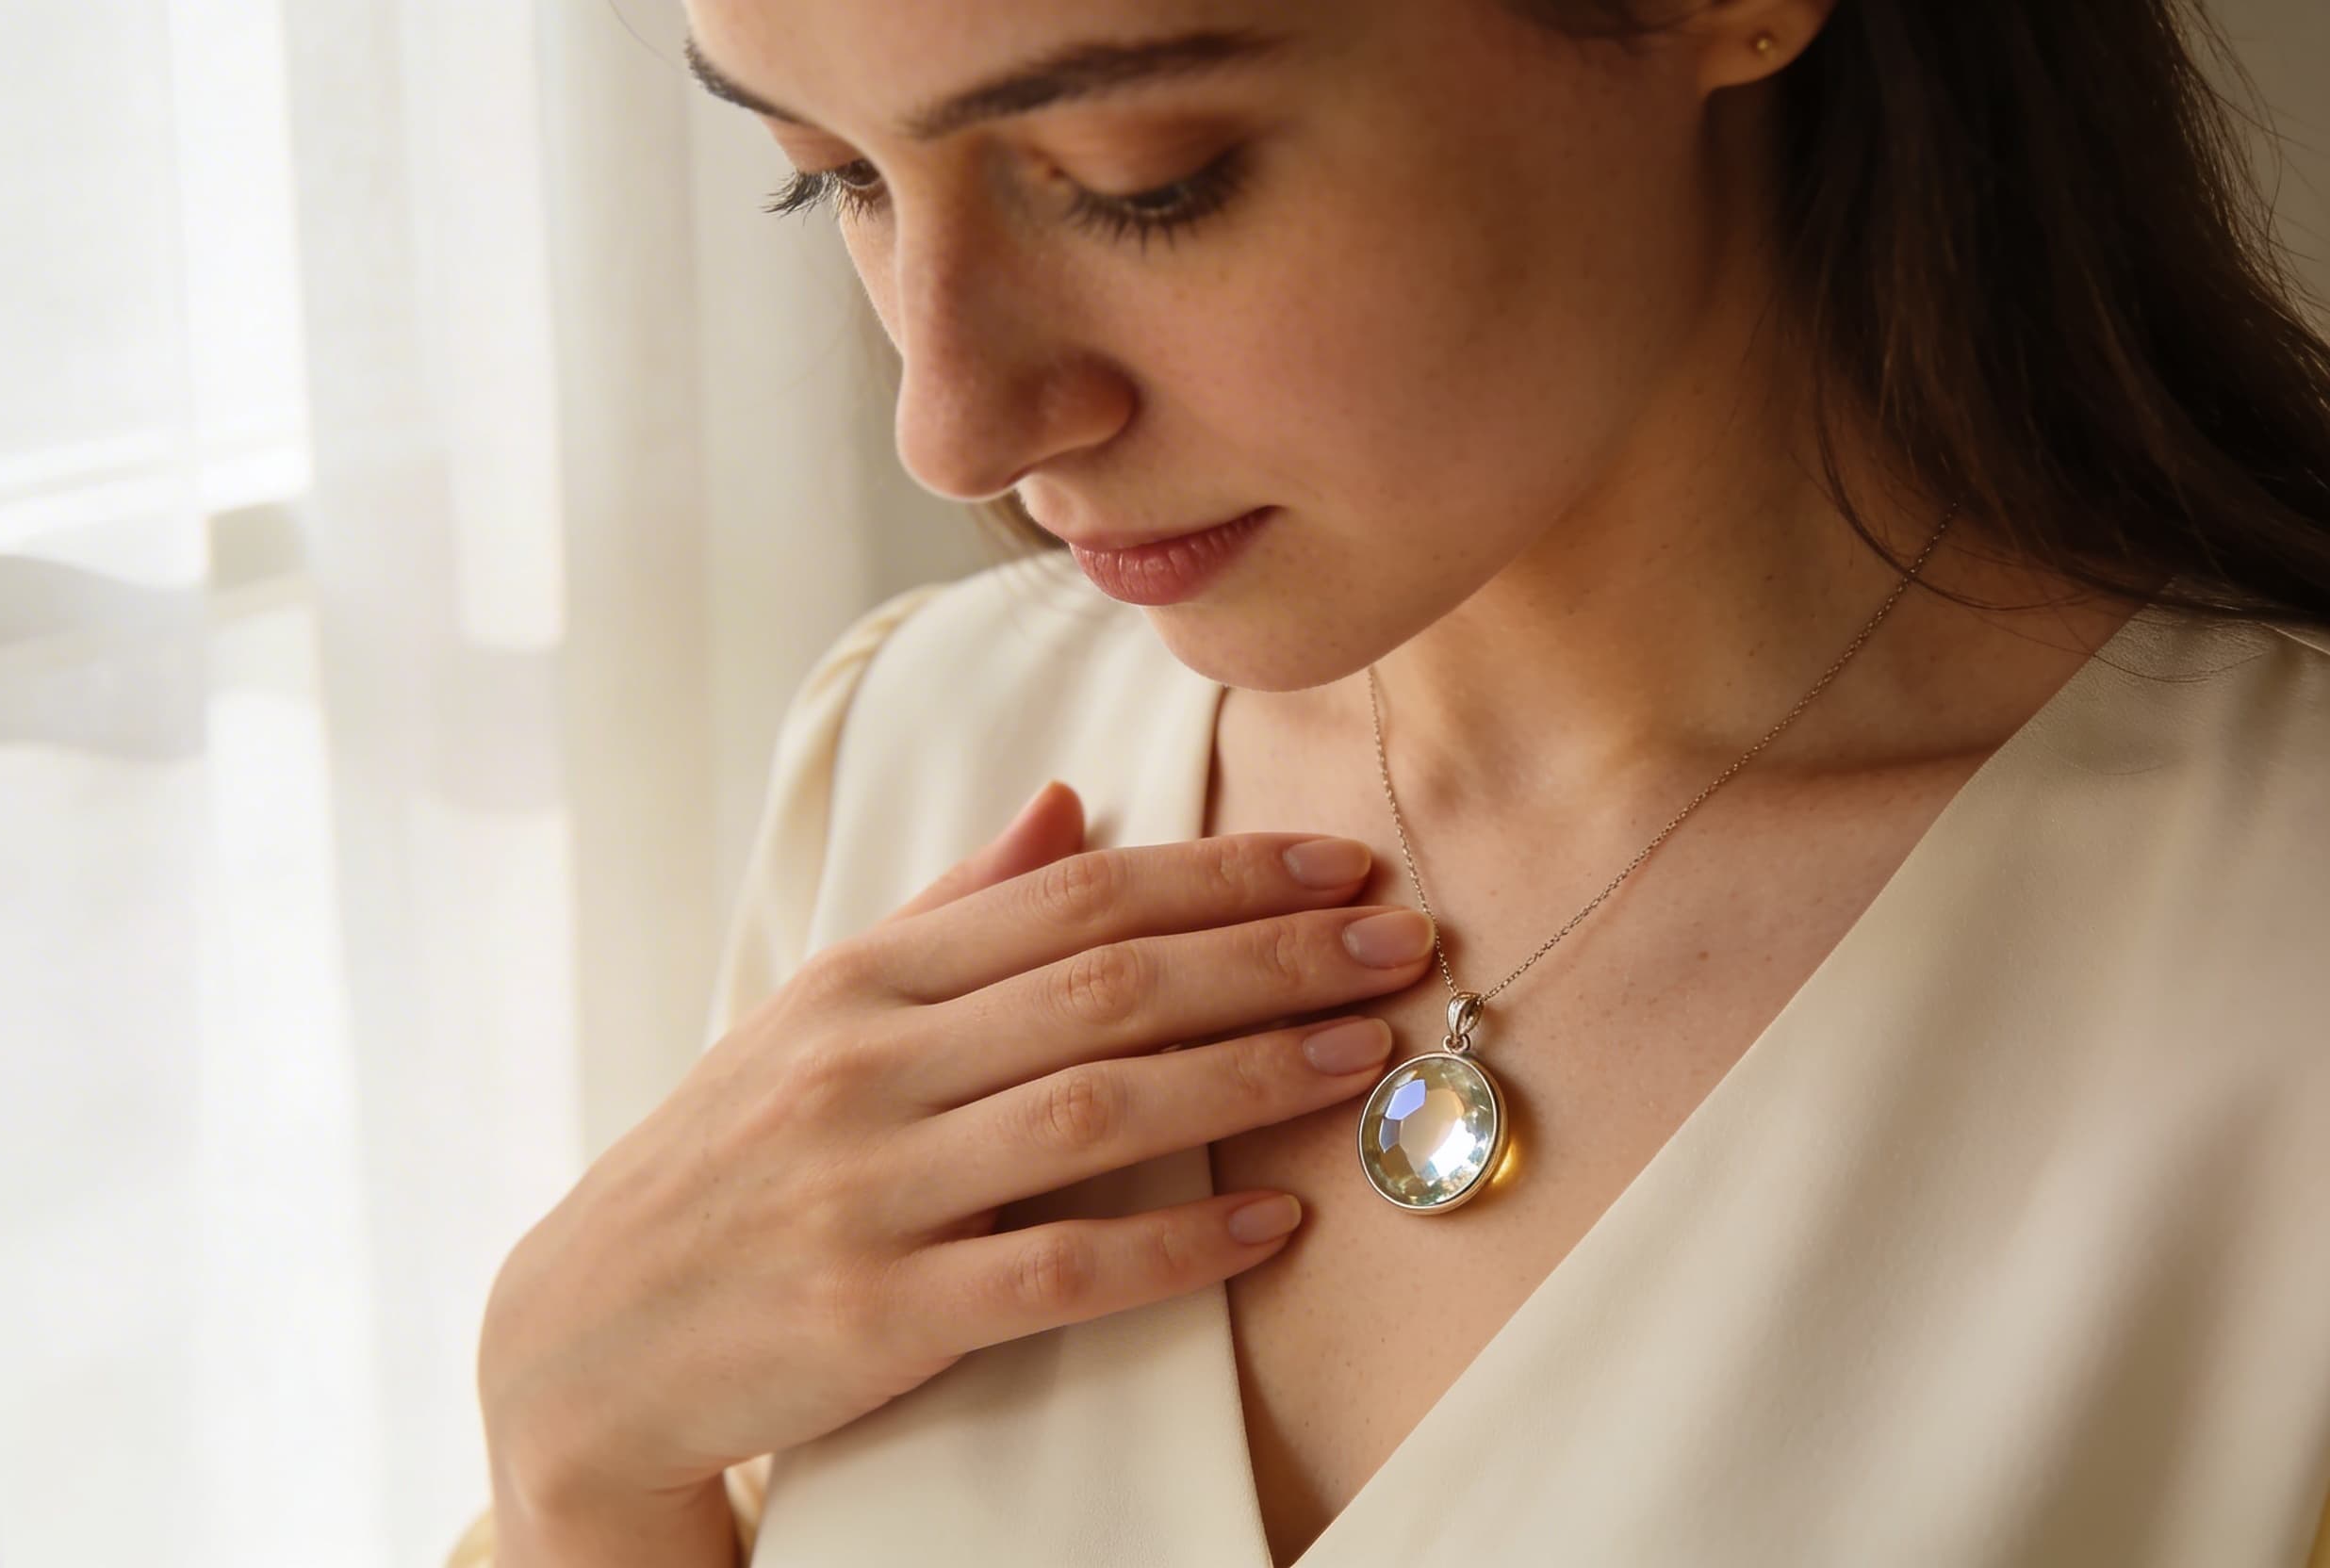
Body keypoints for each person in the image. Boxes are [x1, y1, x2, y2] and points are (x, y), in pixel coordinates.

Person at [452, 0, 2330, 1563]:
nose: (950, 424)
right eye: (833, 181)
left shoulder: (2269, 965)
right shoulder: (923, 749)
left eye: (1145, 184)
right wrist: (580, 1478)